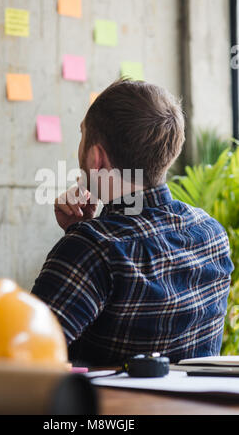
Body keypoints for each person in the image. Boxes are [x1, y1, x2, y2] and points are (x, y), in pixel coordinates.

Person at [32, 79, 234, 366]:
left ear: (96, 157)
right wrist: (84, 231)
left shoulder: (91, 248)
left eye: (82, 135)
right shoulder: (211, 234)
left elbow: (22, 357)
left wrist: (79, 242)